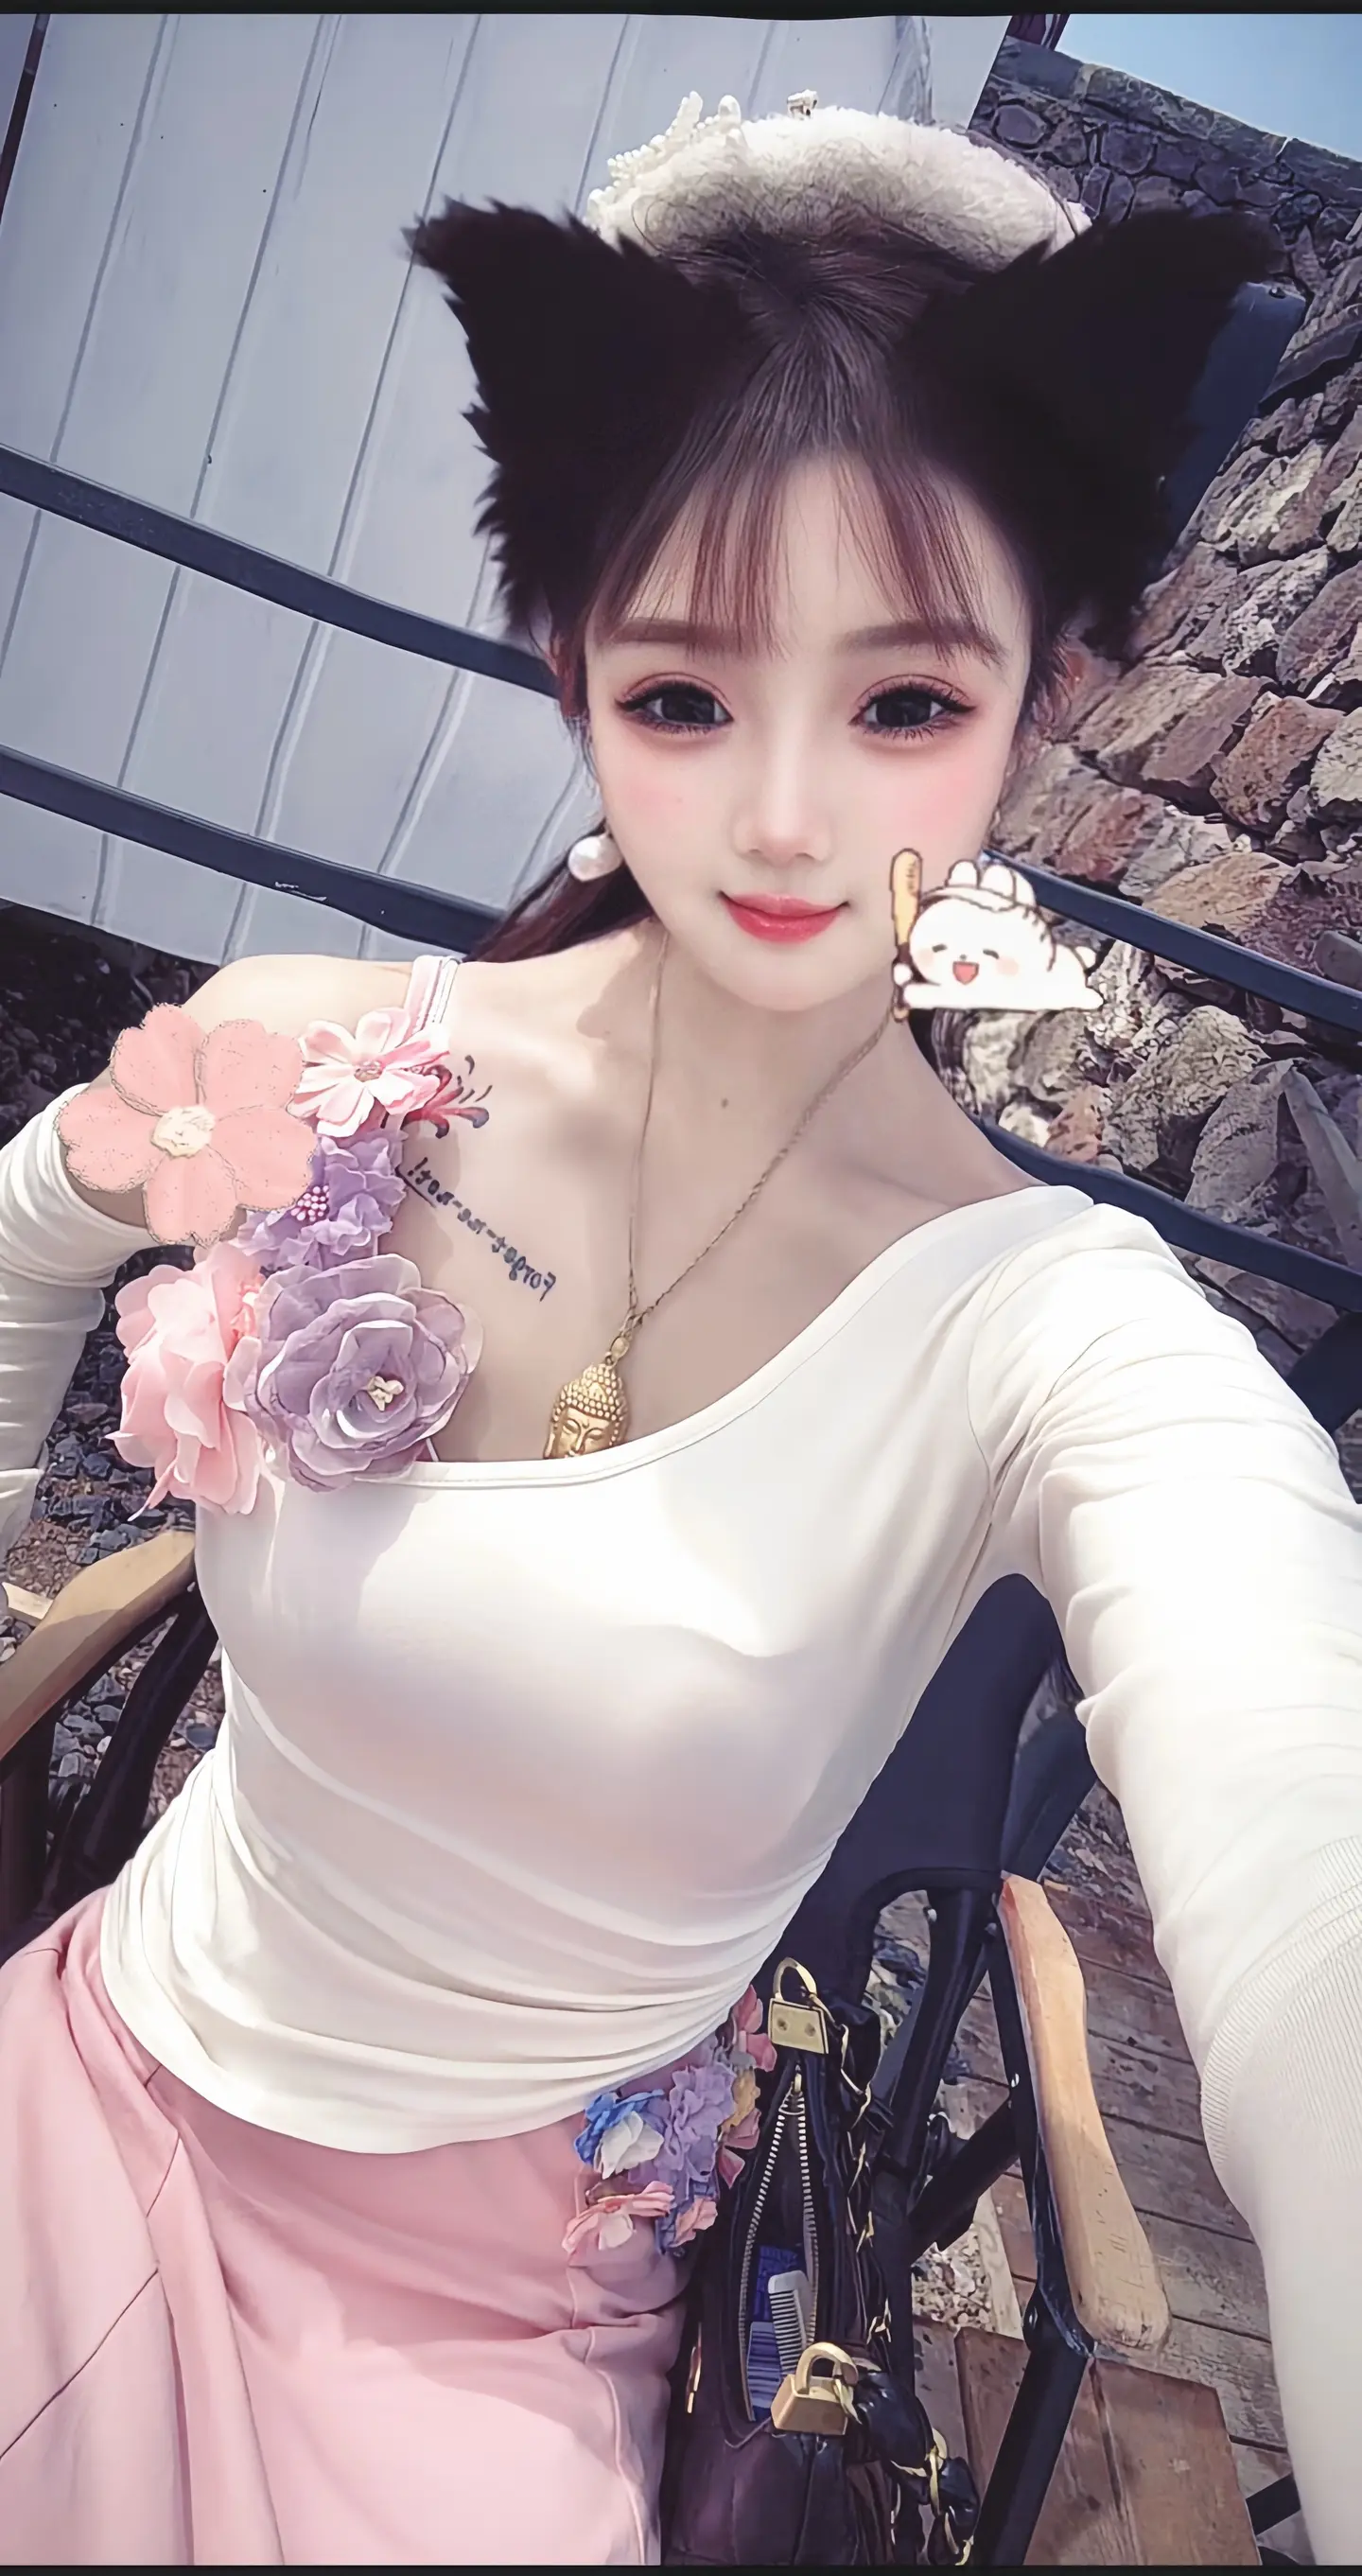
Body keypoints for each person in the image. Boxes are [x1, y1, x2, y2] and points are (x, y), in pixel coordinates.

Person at [0, 92, 1359, 2567]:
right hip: (85, 2098)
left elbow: (1308, 1843)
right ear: (577, 649)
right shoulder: (307, 1053)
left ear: (1042, 694)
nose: (788, 813)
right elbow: (27, 1233)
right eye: (694, 682)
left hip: (487, 2332)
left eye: (904, 696)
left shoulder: (1054, 1333)